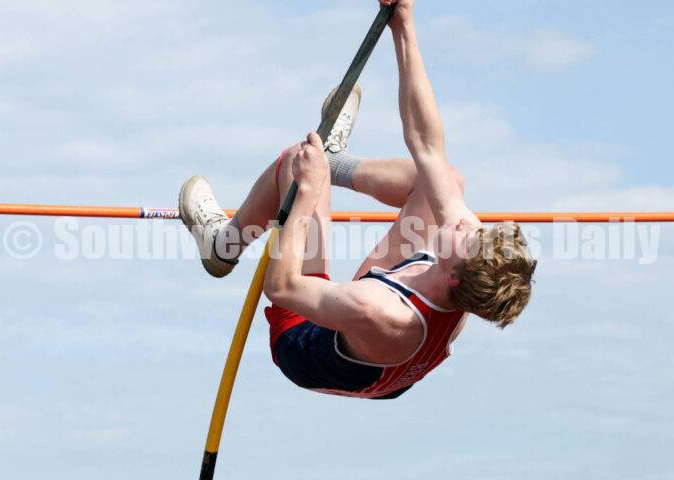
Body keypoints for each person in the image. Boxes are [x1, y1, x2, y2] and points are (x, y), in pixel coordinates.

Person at [179, 0, 536, 399]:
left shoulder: (381, 311)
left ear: (455, 272)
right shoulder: (465, 273)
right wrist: (404, 26)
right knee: (443, 177)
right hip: (384, 350)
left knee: (294, 164)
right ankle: (333, 160)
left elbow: (282, 286)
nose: (465, 223)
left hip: (306, 345)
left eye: (467, 235)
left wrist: (307, 195)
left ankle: (222, 246)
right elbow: (427, 146)